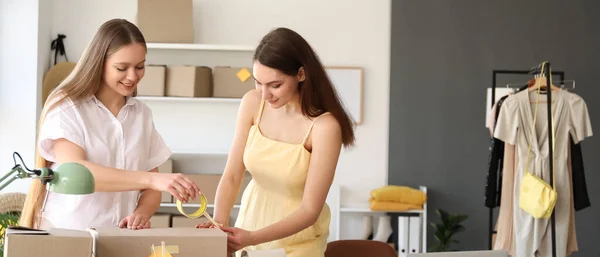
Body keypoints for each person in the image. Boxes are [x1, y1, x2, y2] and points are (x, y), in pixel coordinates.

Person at [19, 19, 201, 231]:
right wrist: (152, 180)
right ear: (99, 63)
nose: (133, 76)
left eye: (140, 66)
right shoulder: (67, 107)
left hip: (119, 238)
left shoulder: (141, 115)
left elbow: (152, 190)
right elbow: (77, 170)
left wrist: (141, 213)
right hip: (69, 235)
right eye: (122, 68)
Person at [197, 27, 356, 257]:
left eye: (275, 85)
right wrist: (218, 225)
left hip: (297, 243)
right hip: (248, 229)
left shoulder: (324, 127)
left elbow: (310, 210)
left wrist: (252, 237)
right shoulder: (252, 103)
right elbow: (232, 175)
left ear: (301, 74)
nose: (264, 94)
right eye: (258, 83)